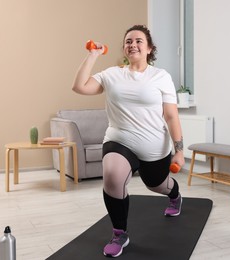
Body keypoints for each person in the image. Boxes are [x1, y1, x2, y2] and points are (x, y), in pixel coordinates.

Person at [72, 24, 185, 258]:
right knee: (112, 176)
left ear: (149, 48)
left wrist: (179, 150)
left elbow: (171, 115)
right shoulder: (112, 74)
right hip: (119, 139)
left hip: (154, 146)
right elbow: (79, 87)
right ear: (124, 48)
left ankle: (174, 195)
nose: (132, 44)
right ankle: (119, 233)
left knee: (156, 184)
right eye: (128, 41)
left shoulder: (161, 76)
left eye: (138, 41)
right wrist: (93, 55)